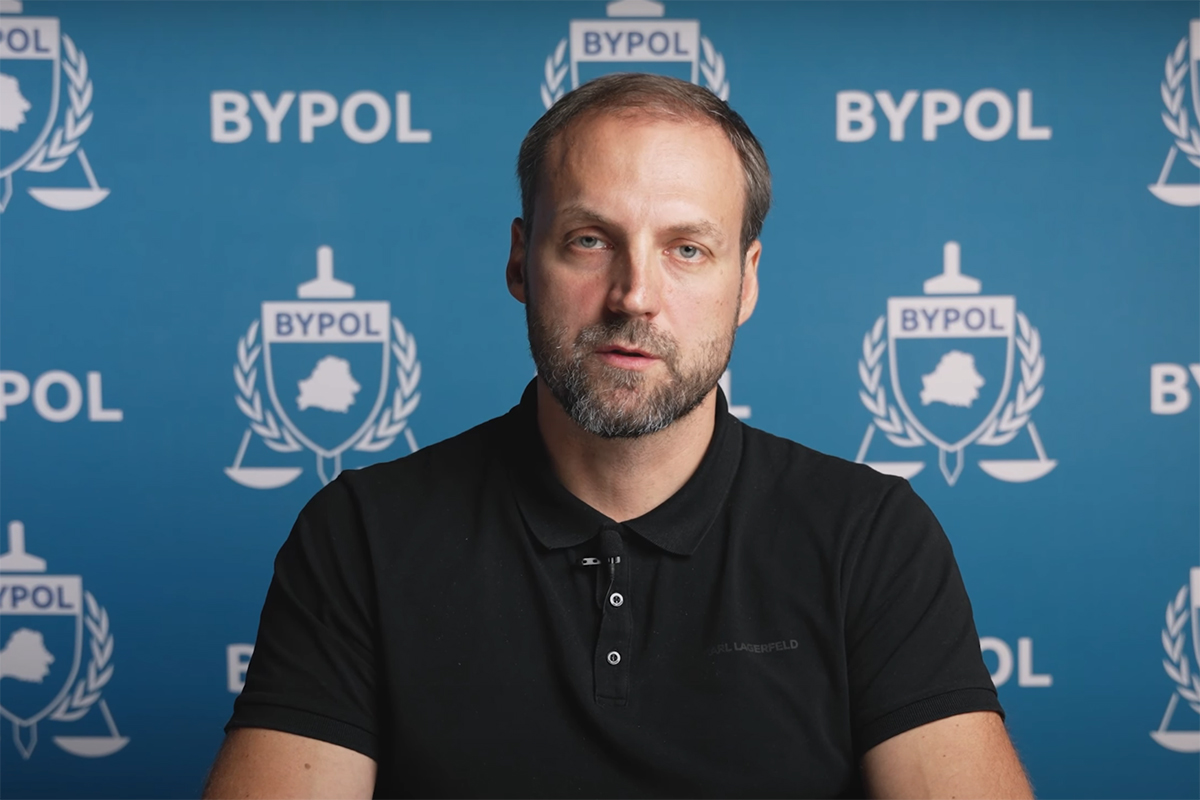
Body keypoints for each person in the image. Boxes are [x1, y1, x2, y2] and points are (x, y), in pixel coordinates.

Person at [204, 73, 1032, 799]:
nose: (635, 295)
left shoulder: (870, 538)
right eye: (590, 240)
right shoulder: (362, 535)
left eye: (687, 249)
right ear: (521, 262)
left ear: (746, 282)